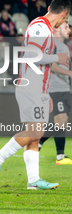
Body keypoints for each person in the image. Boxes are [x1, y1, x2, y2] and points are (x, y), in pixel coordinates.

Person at [0, 0, 71, 190]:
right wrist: (57, 57)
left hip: (39, 88)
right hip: (29, 87)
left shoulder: (46, 30)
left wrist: (47, 92)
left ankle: (33, 180)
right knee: (36, 132)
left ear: (50, 7)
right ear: (63, 14)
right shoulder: (40, 27)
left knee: (34, 135)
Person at [38, 22, 72, 165]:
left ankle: (39, 142)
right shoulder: (52, 45)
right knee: (60, 121)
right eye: (66, 27)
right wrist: (69, 73)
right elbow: (51, 65)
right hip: (55, 88)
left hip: (65, 88)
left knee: (62, 123)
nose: (69, 30)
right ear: (56, 29)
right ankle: (60, 156)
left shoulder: (65, 47)